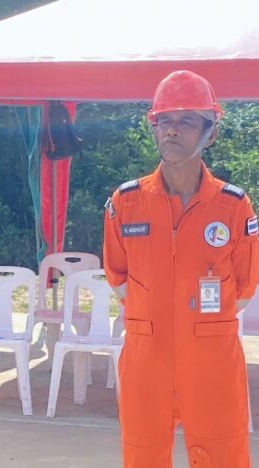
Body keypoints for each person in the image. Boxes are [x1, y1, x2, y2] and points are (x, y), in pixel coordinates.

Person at [103, 69, 259, 467]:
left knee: (223, 457)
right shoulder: (125, 203)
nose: (172, 130)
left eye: (187, 121)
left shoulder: (233, 207)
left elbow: (244, 286)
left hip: (212, 364)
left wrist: (197, 322)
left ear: (211, 133)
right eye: (164, 121)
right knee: (143, 457)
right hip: (146, 362)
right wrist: (155, 311)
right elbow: (117, 276)